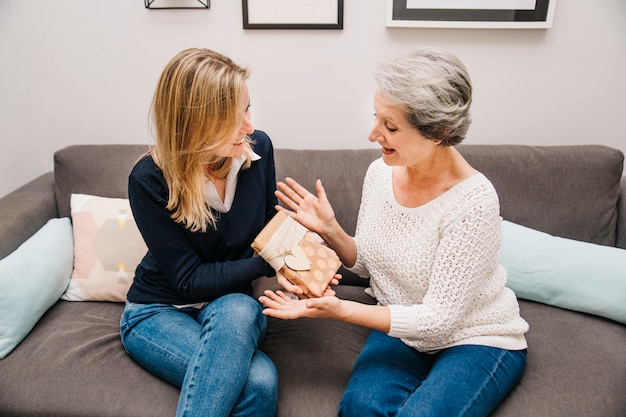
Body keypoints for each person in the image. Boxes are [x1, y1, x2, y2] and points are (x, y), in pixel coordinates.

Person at [259, 47, 529, 417]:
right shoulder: (381, 174)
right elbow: (368, 264)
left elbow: (437, 323)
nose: (373, 134)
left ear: (440, 131)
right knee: (359, 408)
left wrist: (339, 310)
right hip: (404, 330)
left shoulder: (474, 202)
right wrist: (331, 229)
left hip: (476, 337)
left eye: (390, 127)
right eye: (376, 118)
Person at [120, 48, 279, 417]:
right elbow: (189, 279)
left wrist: (302, 256)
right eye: (233, 117)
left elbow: (269, 224)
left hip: (230, 307)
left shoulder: (259, 151)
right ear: (196, 123)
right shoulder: (149, 180)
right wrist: (267, 263)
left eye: (247, 108)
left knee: (241, 306)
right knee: (260, 381)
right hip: (157, 311)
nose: (249, 126)